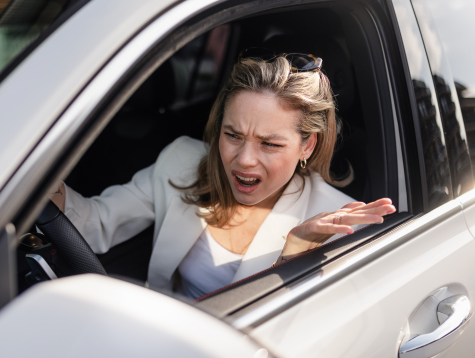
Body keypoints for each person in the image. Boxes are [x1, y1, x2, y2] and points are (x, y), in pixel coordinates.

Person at [50, 50, 395, 299]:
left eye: (270, 144)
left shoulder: (343, 225)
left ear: (306, 146)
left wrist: (294, 255)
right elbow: (94, 224)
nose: (244, 160)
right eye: (233, 135)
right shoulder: (180, 160)